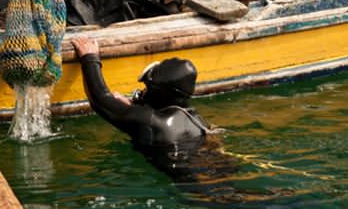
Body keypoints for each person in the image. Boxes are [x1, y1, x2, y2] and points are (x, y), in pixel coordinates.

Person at [72, 35, 235, 185]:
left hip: (200, 193)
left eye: (147, 88)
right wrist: (132, 109)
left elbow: (100, 99)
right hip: (217, 177)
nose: (142, 92)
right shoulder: (196, 119)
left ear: (160, 93)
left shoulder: (150, 120)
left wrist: (89, 58)